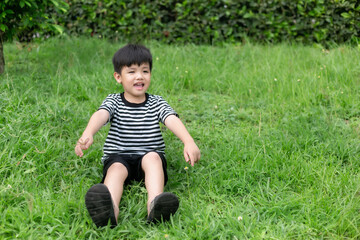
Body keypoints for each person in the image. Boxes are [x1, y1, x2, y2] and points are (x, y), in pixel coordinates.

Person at [75, 44, 201, 228]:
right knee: (116, 170)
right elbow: (101, 115)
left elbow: (171, 119)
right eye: (132, 71)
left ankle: (155, 206)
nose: (140, 76)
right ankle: (110, 211)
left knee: (153, 159)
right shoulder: (114, 101)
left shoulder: (157, 102)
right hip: (119, 156)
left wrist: (188, 141)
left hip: (148, 157)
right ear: (118, 77)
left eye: (145, 71)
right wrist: (89, 132)